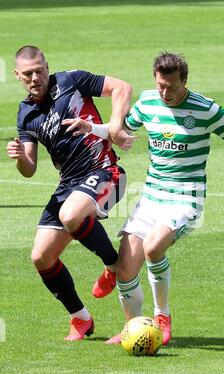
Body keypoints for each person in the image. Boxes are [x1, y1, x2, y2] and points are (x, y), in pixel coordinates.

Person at [69, 51, 224, 346]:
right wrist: (93, 128)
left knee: (153, 247)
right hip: (152, 194)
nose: (165, 93)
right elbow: (121, 131)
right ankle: (134, 329)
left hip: (185, 198)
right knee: (126, 269)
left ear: (184, 81)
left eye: (172, 87)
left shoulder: (205, 109)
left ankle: (162, 316)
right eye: (161, 85)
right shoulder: (149, 102)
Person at [6, 45, 135, 341]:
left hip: (105, 173)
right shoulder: (26, 114)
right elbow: (30, 168)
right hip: (69, 184)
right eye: (28, 74)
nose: (35, 77)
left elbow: (121, 87)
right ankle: (81, 318)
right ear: (18, 76)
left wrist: (114, 125)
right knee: (41, 256)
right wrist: (19, 157)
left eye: (40, 70)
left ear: (47, 66)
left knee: (70, 214)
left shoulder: (72, 81)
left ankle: (113, 266)